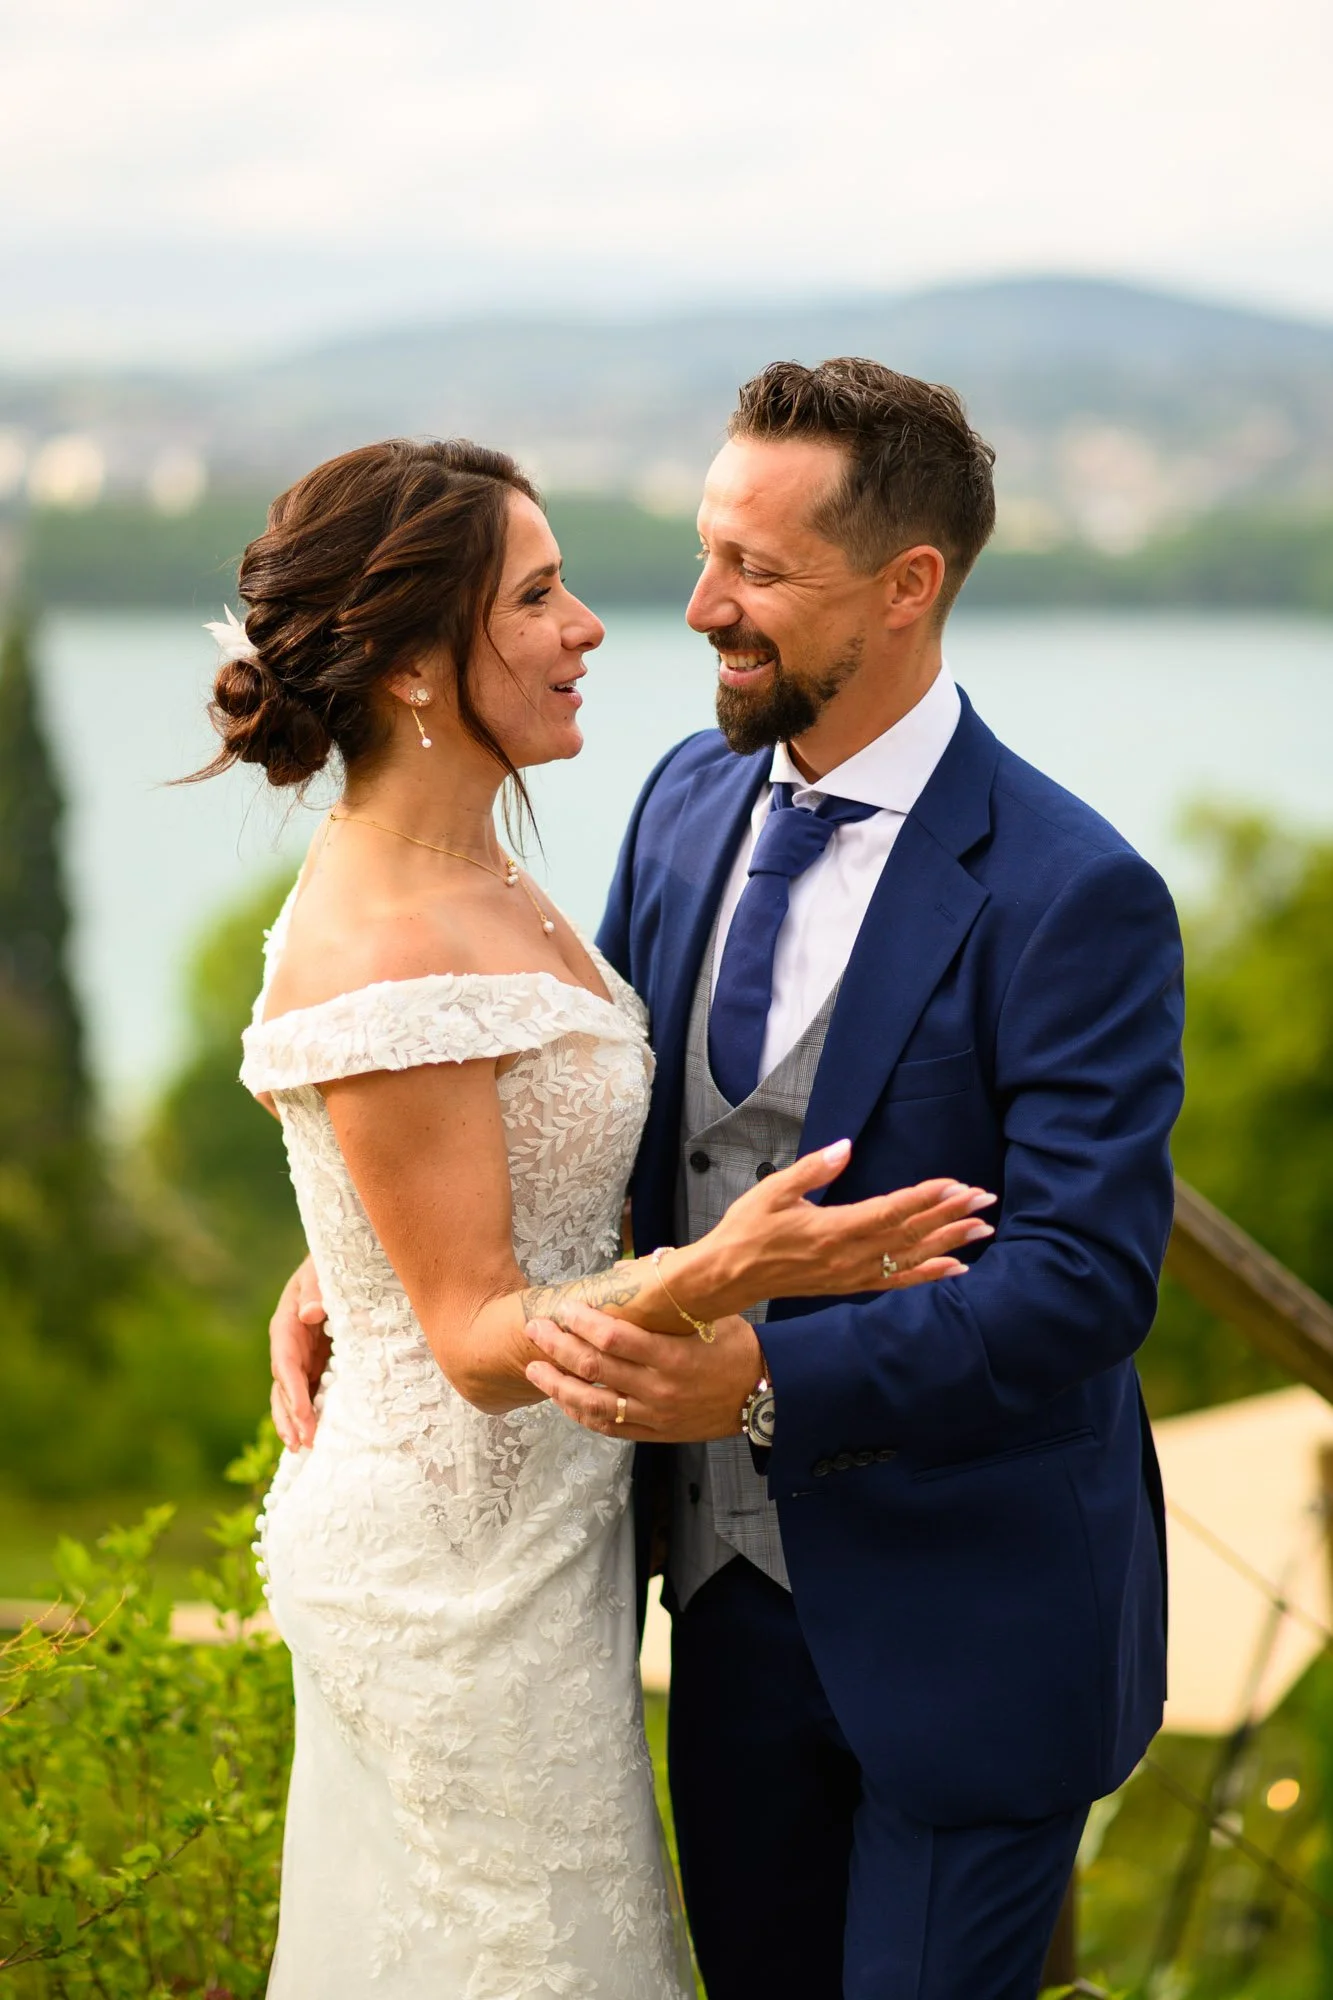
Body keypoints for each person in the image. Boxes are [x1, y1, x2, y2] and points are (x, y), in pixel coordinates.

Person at [273, 364, 1184, 1998]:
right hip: (713, 1619)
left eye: (756, 573)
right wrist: (361, 1249)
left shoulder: (1075, 891)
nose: (697, 609)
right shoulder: (688, 803)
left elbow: (1085, 1282)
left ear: (907, 587)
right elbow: (574, 1107)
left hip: (968, 1632)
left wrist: (760, 1374)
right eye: (706, 553)